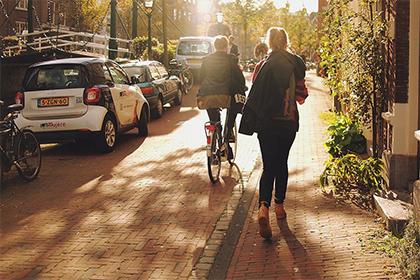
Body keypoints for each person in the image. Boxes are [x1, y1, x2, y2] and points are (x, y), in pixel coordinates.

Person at [239, 27, 306, 239]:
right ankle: (279, 207)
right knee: (281, 163)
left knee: (268, 167)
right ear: (286, 41)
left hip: (266, 124)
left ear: (269, 42)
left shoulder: (261, 65)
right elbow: (302, 94)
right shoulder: (295, 63)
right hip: (287, 122)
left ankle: (263, 209)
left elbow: (255, 90)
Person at [197, 36, 246, 158]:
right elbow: (239, 78)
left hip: (208, 95)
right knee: (232, 111)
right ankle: (227, 135)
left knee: (214, 120)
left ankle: (216, 140)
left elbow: (200, 77)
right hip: (227, 94)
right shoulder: (231, 59)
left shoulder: (206, 59)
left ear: (215, 46)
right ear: (227, 46)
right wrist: (242, 88)